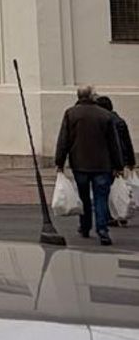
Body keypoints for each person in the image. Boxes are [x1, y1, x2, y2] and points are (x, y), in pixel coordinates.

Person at [54, 84, 124, 246]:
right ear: (92, 96)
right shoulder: (105, 115)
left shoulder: (71, 114)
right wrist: (118, 165)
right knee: (100, 197)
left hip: (80, 163)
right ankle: (102, 230)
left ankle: (85, 226)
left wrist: (59, 162)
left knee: (84, 196)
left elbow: (64, 140)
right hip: (102, 164)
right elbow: (114, 143)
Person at [97, 96, 135, 225]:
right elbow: (127, 142)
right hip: (120, 160)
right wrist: (130, 161)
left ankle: (110, 215)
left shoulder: (103, 122)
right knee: (119, 189)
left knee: (106, 190)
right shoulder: (120, 121)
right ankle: (121, 212)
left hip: (107, 160)